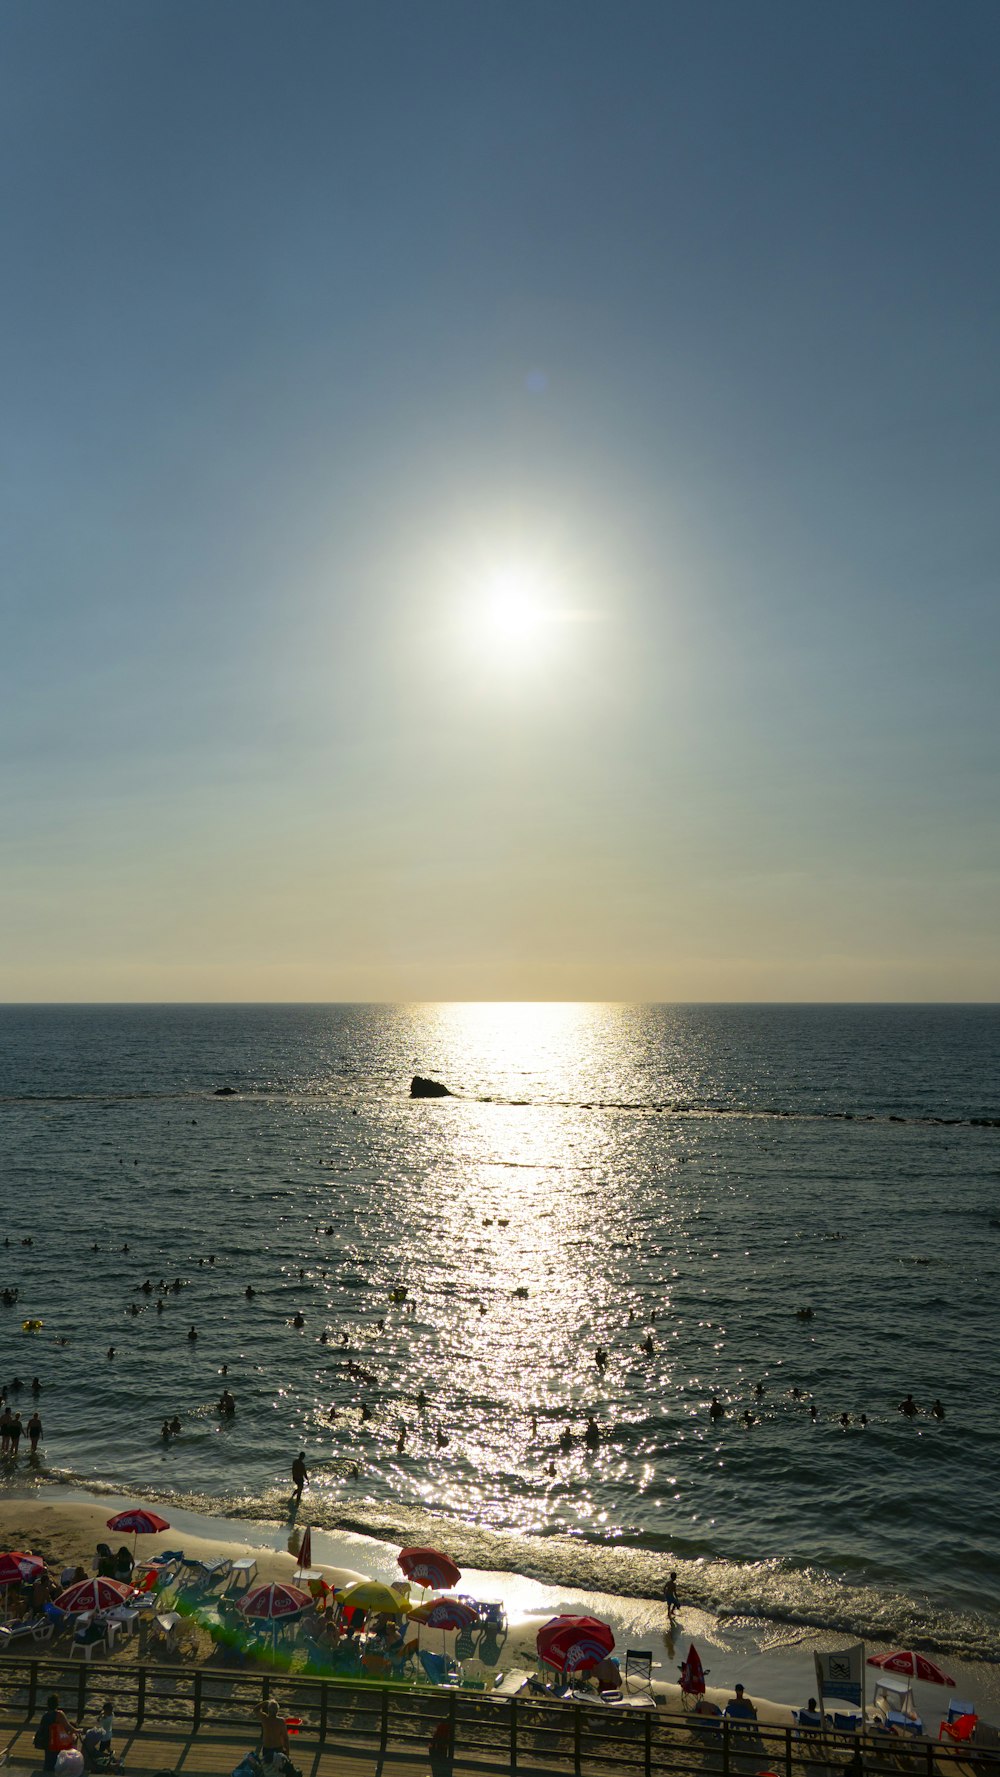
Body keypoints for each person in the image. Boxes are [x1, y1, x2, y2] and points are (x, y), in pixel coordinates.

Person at [34, 1692, 75, 1773]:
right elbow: (68, 1726)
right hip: (56, 1741)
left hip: (46, 1741)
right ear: (57, 1704)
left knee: (48, 1762)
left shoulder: (45, 1715)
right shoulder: (59, 1714)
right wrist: (77, 1730)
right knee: (57, 1761)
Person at [258, 1699, 290, 1766]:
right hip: (277, 1748)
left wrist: (265, 1702)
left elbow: (255, 1710)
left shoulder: (264, 1719)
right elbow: (285, 1738)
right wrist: (287, 1753)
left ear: (268, 1710)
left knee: (266, 1767)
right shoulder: (281, 1721)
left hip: (267, 1748)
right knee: (277, 1768)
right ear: (277, 1711)